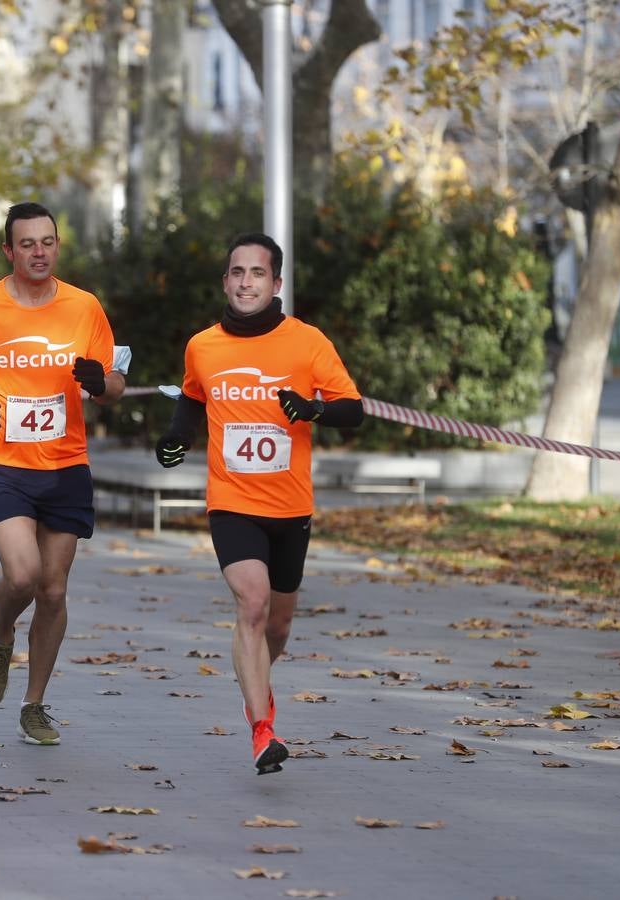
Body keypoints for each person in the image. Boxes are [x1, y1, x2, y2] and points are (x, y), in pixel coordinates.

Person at [155, 233, 364, 775]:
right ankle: (261, 729)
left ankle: (254, 680)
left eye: (257, 274)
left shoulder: (307, 342)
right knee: (251, 604)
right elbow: (193, 396)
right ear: (225, 281)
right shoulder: (203, 345)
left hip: (290, 506)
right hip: (232, 500)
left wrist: (312, 411)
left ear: (276, 284)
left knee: (277, 627)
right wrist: (175, 437)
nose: (246, 282)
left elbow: (353, 409)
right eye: (237, 273)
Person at [0, 201, 124, 746]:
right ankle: (0, 634)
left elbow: (112, 384)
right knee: (22, 575)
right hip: (2, 463)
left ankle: (35, 704)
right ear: (9, 250)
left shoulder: (84, 307)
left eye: (47, 241)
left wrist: (100, 382)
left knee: (52, 588)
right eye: (27, 243)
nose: (39, 252)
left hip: (65, 465)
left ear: (57, 245)